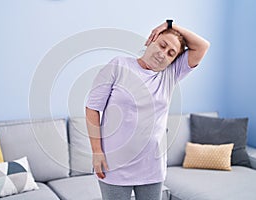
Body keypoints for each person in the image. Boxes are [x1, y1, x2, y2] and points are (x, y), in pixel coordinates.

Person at [85, 20, 210, 200]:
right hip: (114, 165)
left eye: (171, 53)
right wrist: (97, 152)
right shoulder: (118, 66)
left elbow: (202, 46)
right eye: (162, 44)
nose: (163, 54)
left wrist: (170, 24)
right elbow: (92, 108)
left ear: (173, 61)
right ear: (151, 39)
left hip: (152, 167)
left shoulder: (169, 75)